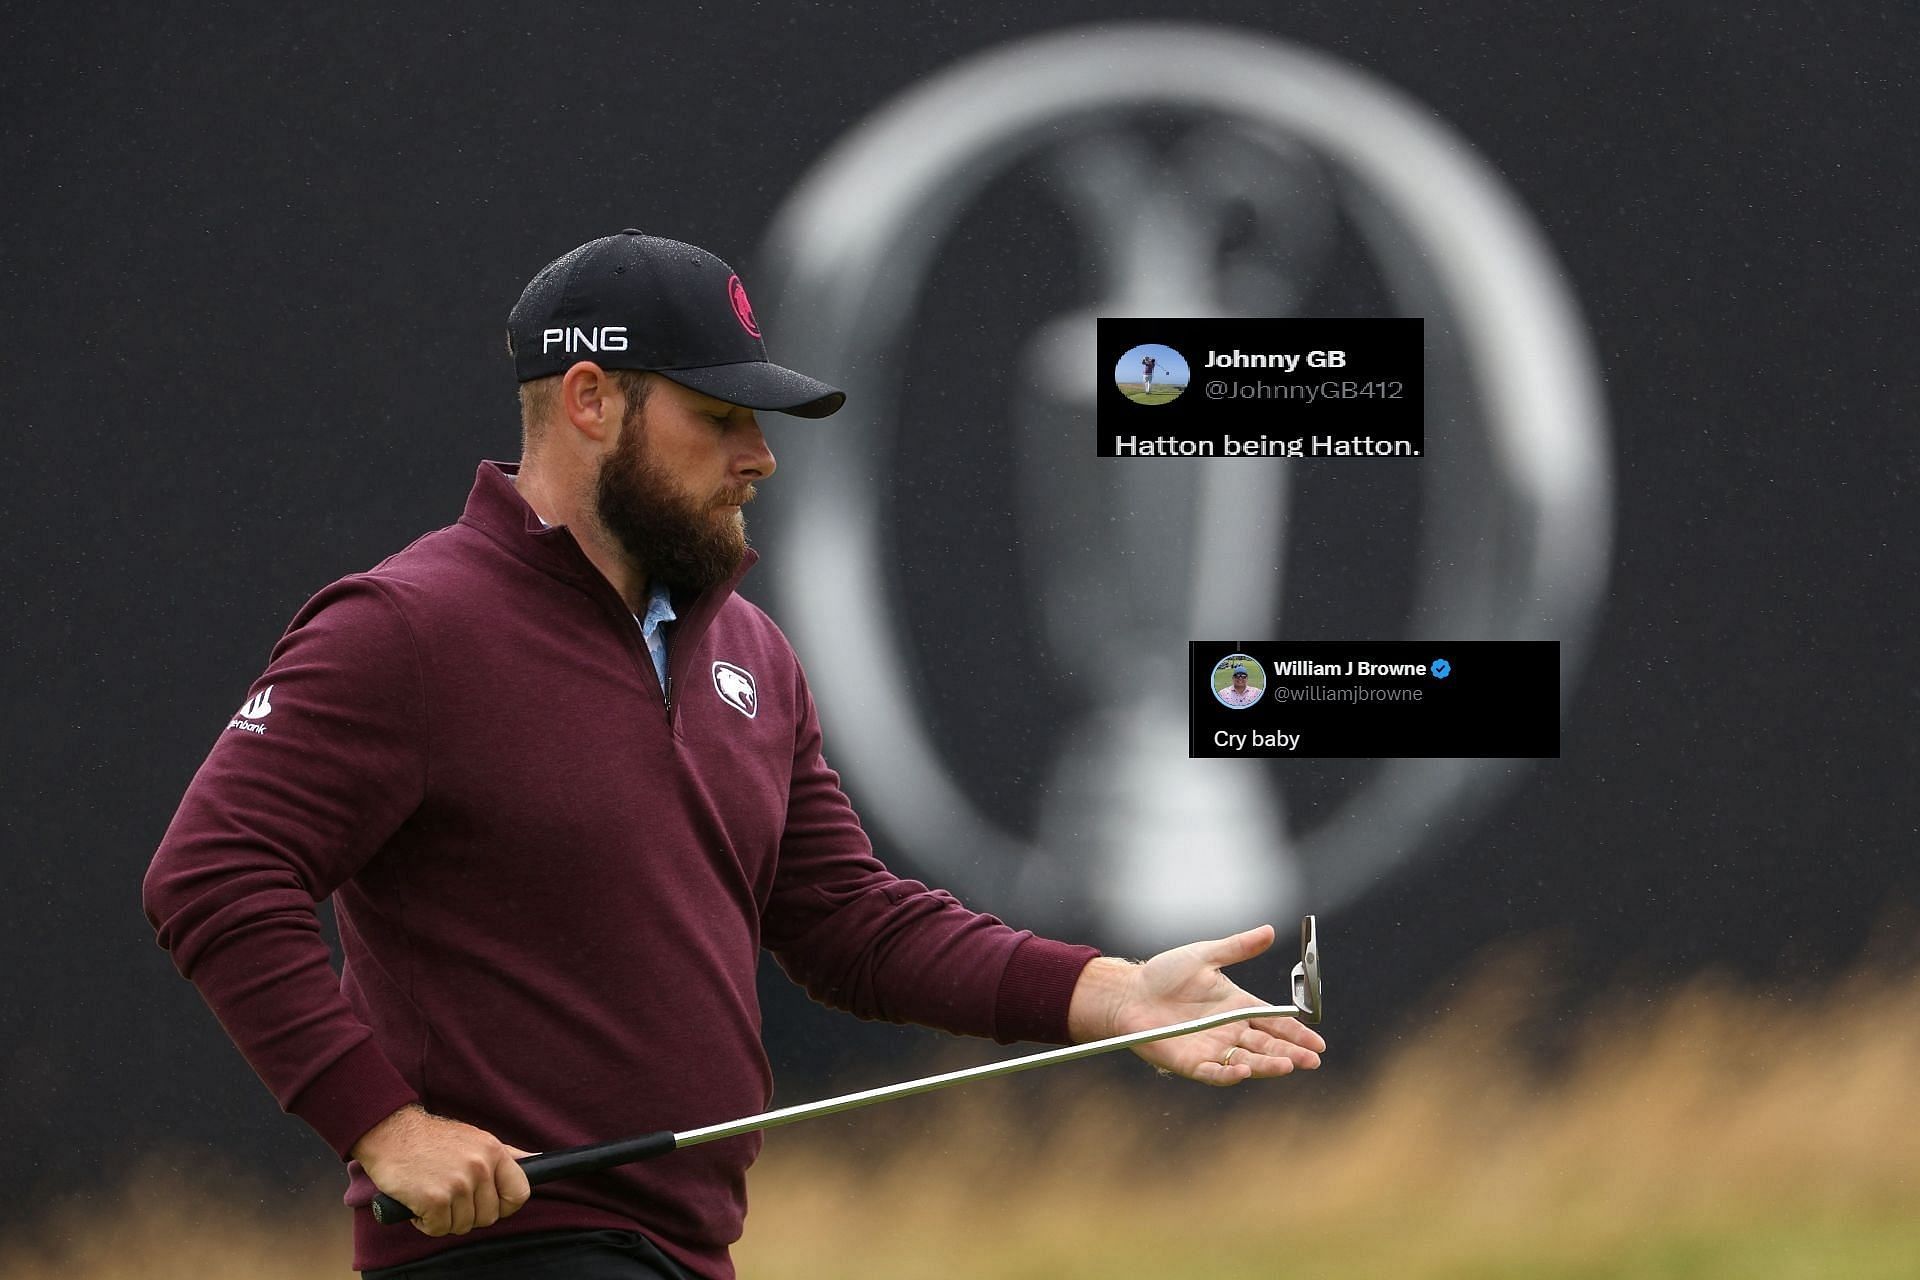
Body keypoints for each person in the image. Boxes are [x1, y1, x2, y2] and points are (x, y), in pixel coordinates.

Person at [142, 231, 1326, 1280]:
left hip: (680, 1249)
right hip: (504, 1252)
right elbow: (212, 872)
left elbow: (846, 920)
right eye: (719, 417)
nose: (758, 456)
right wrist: (384, 1125)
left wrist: (1113, 994)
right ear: (592, 400)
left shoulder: (746, 647)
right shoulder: (407, 628)